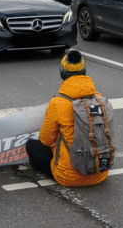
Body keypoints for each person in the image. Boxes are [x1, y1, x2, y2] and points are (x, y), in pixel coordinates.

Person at [25, 50, 110, 187]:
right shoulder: (99, 98)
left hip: (68, 176)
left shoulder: (58, 103)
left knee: (32, 145)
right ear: (84, 72)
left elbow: (46, 140)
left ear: (62, 74)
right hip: (100, 173)